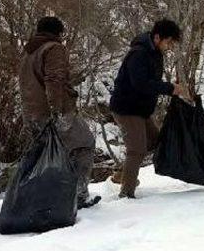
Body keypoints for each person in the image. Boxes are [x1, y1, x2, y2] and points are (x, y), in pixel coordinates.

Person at [18, 16, 100, 209]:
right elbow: (54, 81)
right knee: (84, 144)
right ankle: (78, 196)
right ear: (58, 33)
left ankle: (48, 198)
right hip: (53, 112)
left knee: (47, 158)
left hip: (31, 115)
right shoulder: (53, 48)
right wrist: (58, 112)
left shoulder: (28, 52)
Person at [109, 19, 189, 199]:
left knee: (155, 141)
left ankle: (121, 176)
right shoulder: (138, 54)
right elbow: (141, 84)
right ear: (157, 37)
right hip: (126, 108)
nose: (169, 47)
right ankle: (126, 194)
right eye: (168, 42)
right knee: (136, 149)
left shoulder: (154, 53)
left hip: (141, 109)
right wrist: (170, 88)